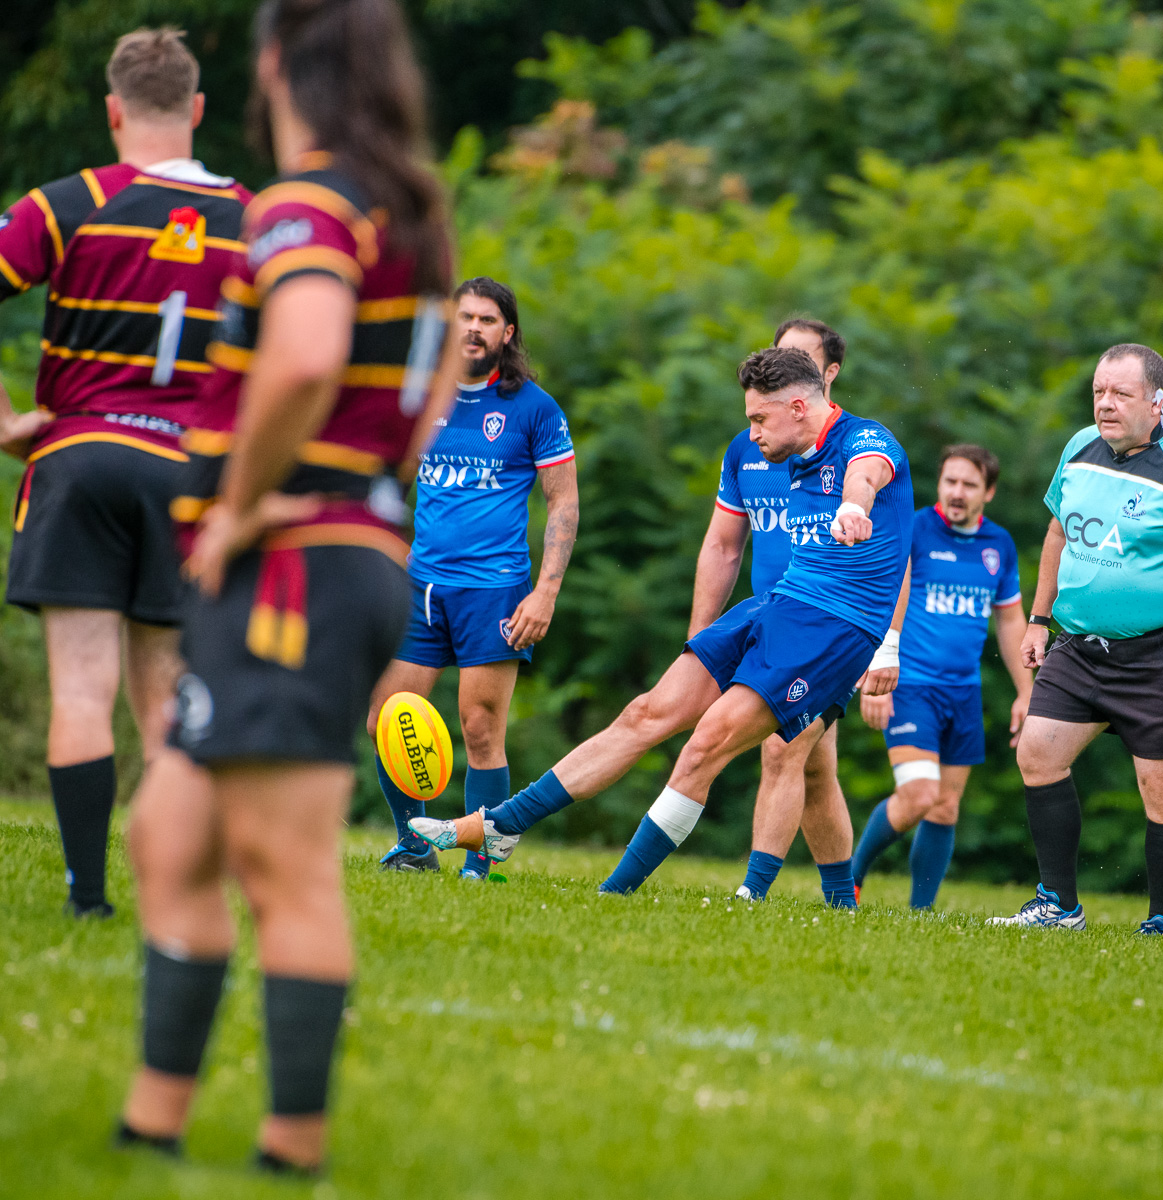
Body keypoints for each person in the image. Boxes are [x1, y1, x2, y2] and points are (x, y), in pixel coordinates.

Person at [114, 0, 457, 1173]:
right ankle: (152, 1123)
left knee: (286, 866)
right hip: (333, 559)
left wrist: (255, 500)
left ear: (275, 65)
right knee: (168, 831)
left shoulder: (309, 201)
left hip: (294, 565)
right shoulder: (408, 214)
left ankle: (288, 1148)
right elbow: (432, 389)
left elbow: (307, 356)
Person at [0, 28, 251, 918]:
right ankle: (170, 894)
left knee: (79, 692)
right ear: (196, 111)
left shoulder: (72, 203)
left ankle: (84, 897)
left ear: (111, 111)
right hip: (187, 475)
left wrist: (2, 422)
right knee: (165, 705)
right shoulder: (256, 221)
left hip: (78, 458)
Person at [410, 347, 913, 901]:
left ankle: (617, 893)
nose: (753, 432)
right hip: (778, 604)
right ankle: (506, 825)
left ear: (798, 406)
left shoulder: (866, 441)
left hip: (834, 627)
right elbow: (723, 545)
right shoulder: (784, 455)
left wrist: (853, 507)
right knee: (645, 712)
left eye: (758, 419)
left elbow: (865, 479)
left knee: (707, 745)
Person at [990, 343, 1163, 934]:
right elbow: (1058, 530)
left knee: (1162, 793)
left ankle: (1159, 923)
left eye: (1120, 395)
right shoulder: (1079, 449)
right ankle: (1058, 906)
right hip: (1080, 648)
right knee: (1037, 755)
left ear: (1158, 403)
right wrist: (1038, 618)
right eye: (1098, 392)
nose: (1105, 405)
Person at [368, 277, 578, 876]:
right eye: (464, 317)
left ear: (507, 333)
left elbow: (563, 502)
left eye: (487, 319)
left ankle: (479, 864)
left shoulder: (533, 407)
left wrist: (546, 591)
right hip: (419, 585)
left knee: (479, 727)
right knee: (387, 716)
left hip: (494, 589)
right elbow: (383, 479)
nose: (473, 328)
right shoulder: (422, 395)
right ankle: (413, 850)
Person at [693, 318, 857, 905]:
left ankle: (752, 893)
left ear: (826, 375)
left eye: (800, 358)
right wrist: (700, 639)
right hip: (765, 619)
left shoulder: (855, 448)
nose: (782, 365)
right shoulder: (749, 447)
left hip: (825, 626)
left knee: (781, 747)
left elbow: (894, 552)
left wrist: (890, 644)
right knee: (815, 770)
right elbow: (722, 546)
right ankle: (843, 898)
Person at [850, 444, 1031, 909]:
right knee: (919, 796)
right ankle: (850, 876)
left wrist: (1026, 690)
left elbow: (1010, 622)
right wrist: (874, 668)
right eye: (949, 481)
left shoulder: (999, 546)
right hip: (910, 685)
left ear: (988, 492)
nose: (956, 492)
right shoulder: (913, 528)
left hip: (964, 692)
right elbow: (879, 596)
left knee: (946, 807)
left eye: (969, 485)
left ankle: (921, 913)